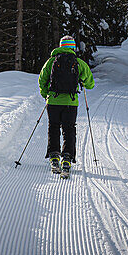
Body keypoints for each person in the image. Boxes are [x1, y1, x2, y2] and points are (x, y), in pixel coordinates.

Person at [38, 35, 94, 174]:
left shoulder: (51, 62)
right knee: (69, 129)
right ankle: (67, 157)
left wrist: (46, 95)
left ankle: (54, 156)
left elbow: (42, 80)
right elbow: (90, 83)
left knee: (54, 127)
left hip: (53, 101)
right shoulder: (79, 63)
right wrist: (82, 81)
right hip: (70, 102)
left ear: (61, 46)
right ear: (73, 47)